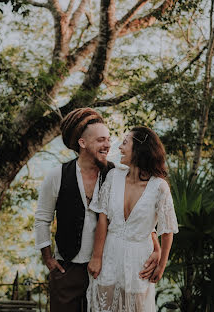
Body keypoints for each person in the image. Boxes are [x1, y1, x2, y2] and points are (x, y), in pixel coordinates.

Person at [34, 109, 161, 312]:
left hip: (109, 267)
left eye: (109, 139)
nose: (108, 145)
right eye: (101, 140)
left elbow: (137, 214)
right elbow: (42, 219)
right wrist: (48, 259)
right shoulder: (57, 175)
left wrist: (156, 246)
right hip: (68, 267)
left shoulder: (118, 174)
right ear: (82, 143)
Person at [87, 126, 179, 312]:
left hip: (139, 262)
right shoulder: (113, 177)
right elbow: (103, 219)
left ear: (139, 150)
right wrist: (96, 257)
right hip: (109, 256)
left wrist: (161, 267)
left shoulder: (159, 187)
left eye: (125, 142)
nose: (120, 147)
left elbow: (167, 230)